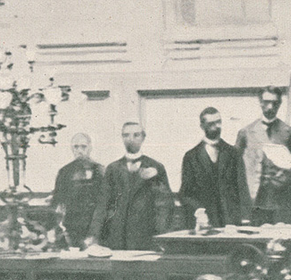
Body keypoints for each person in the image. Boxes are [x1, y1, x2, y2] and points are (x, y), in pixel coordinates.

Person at [88, 122, 172, 251]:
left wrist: (162, 236)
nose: (131, 139)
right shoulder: (112, 168)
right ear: (122, 138)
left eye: (136, 135)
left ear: (143, 137)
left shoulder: (156, 167)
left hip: (146, 235)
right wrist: (94, 235)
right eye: (126, 135)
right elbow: (102, 203)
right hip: (117, 236)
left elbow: (164, 205)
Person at [235, 86, 291, 225]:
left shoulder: (289, 133)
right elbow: (236, 166)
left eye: (275, 103)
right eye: (266, 102)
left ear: (280, 104)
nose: (270, 106)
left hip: (280, 198)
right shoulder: (246, 132)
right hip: (255, 198)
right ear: (260, 102)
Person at [178, 107, 241, 228]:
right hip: (204, 221)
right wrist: (198, 211)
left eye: (219, 122)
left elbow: (241, 188)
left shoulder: (233, 153)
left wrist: (242, 219)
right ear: (202, 126)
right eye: (211, 123)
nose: (217, 126)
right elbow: (185, 193)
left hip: (230, 221)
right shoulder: (191, 156)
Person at [51, 133, 106, 246]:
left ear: (90, 147)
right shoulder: (64, 172)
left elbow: (105, 203)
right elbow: (57, 201)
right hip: (71, 228)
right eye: (76, 147)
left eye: (83, 147)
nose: (79, 150)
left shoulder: (100, 171)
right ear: (72, 148)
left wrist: (95, 233)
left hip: (95, 228)